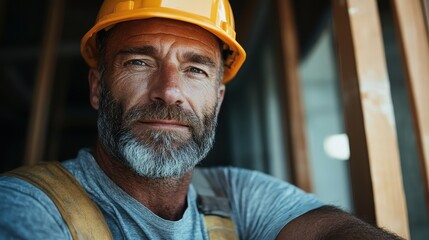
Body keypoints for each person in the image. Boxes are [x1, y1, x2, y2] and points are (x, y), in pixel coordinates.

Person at [0, 0, 402, 239]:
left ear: (219, 98)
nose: (169, 90)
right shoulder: (26, 206)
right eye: (139, 62)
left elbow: (331, 233)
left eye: (196, 70)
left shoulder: (235, 197)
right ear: (96, 87)